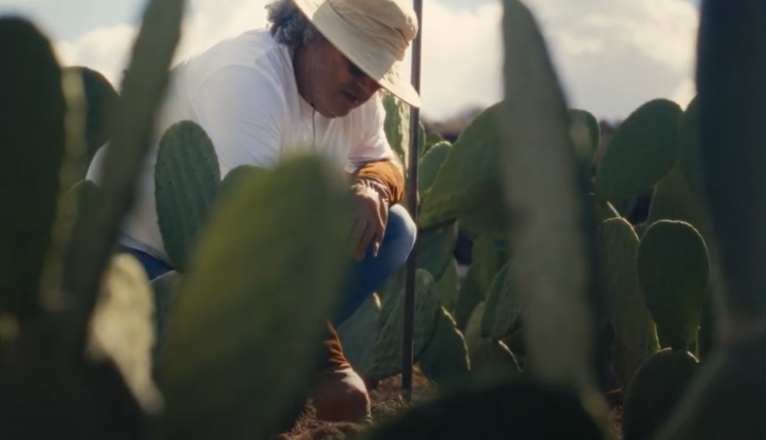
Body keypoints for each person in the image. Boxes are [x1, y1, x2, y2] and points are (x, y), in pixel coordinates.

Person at [85, 0, 420, 424]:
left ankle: (275, 360)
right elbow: (256, 235)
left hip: (241, 267)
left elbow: (385, 161)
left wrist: (372, 184)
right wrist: (330, 366)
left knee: (395, 230)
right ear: (314, 33)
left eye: (380, 75)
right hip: (138, 258)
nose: (367, 86)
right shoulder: (246, 76)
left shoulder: (359, 98)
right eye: (357, 65)